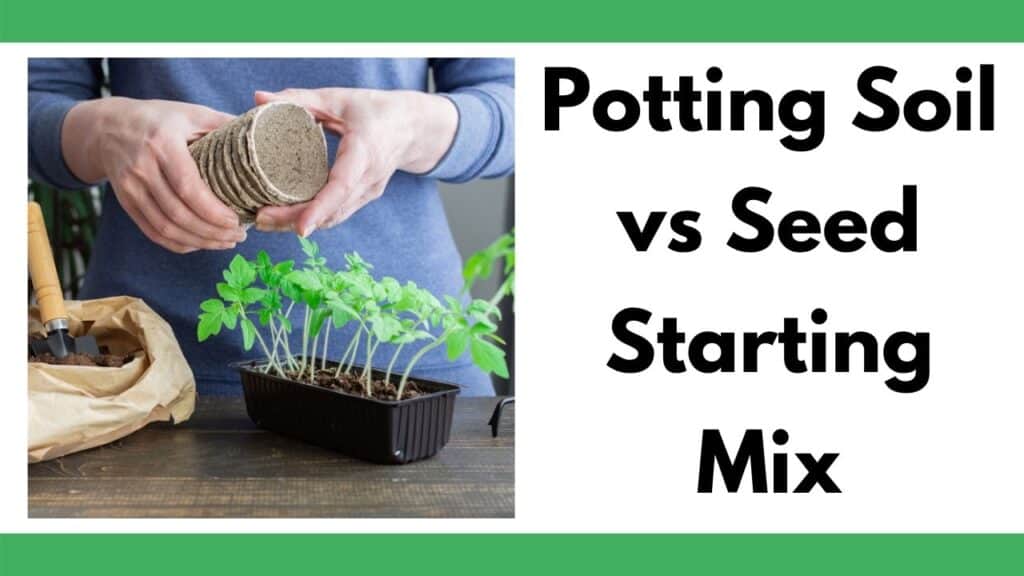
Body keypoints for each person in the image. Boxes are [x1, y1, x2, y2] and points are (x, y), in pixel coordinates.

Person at [28, 58, 513, 396]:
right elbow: (30, 99)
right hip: (146, 364)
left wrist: (409, 126)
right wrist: (104, 133)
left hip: (406, 361)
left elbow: (521, 103)